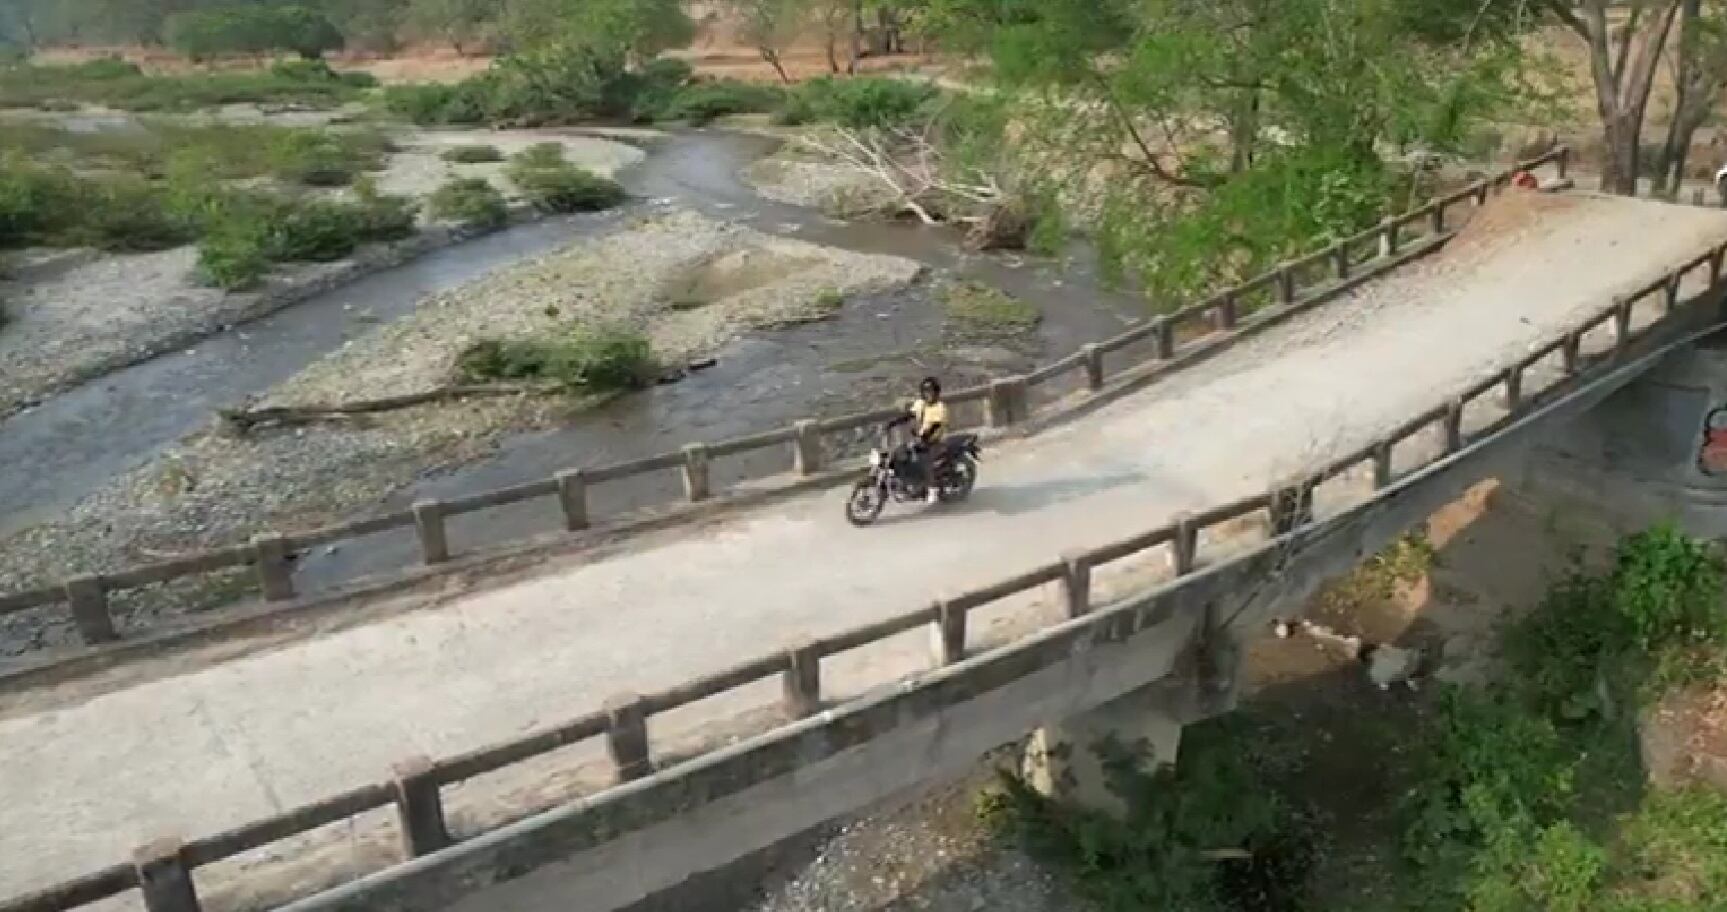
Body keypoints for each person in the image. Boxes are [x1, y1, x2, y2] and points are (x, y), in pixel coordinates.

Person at [886, 376, 949, 503]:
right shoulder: (920, 404)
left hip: (935, 441)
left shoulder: (940, 408)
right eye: (926, 392)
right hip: (920, 439)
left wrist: (925, 437)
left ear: (936, 392)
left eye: (931, 392)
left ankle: (932, 489)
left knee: (924, 460)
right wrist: (894, 422)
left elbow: (935, 426)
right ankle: (905, 482)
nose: (928, 395)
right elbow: (911, 414)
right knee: (900, 453)